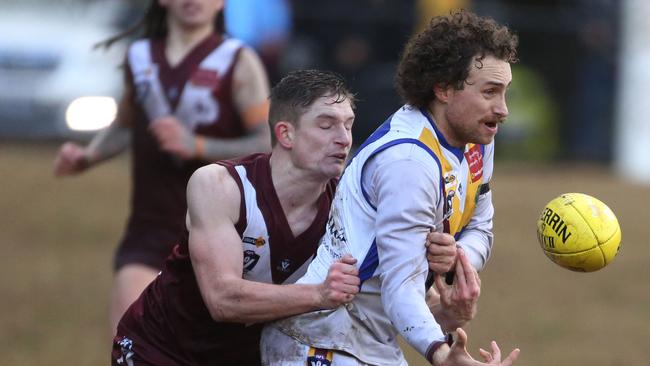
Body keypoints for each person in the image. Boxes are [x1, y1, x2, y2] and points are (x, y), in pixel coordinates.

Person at [262, 10, 521, 366]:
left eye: (504, 92)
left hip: (368, 339)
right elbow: (402, 286)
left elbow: (480, 227)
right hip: (319, 340)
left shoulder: (477, 138)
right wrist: (444, 356)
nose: (503, 109)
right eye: (490, 92)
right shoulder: (409, 163)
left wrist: (456, 259)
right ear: (443, 89)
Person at [53, 0, 271, 334]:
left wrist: (198, 147)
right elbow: (126, 126)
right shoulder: (139, 58)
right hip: (149, 234)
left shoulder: (239, 61)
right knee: (130, 345)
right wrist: (88, 156)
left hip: (221, 237)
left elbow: (267, 142)